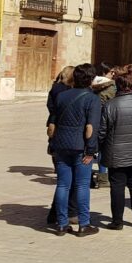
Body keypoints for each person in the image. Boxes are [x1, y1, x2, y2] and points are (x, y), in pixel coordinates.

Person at [48, 63, 102, 236]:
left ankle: (62, 223)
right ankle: (84, 224)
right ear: (92, 79)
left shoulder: (61, 96)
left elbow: (52, 124)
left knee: (63, 185)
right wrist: (91, 151)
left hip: (61, 145)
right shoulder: (92, 98)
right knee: (82, 186)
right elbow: (91, 128)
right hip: (80, 147)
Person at [99, 70, 132, 230]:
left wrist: (100, 146)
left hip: (116, 153)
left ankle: (117, 221)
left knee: (117, 187)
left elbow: (102, 131)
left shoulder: (110, 105)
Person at [46, 65, 76, 225]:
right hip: (68, 138)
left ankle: (54, 214)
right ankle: (64, 214)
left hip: (56, 136)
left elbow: (51, 110)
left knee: (63, 181)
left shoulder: (55, 89)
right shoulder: (66, 93)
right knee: (69, 182)